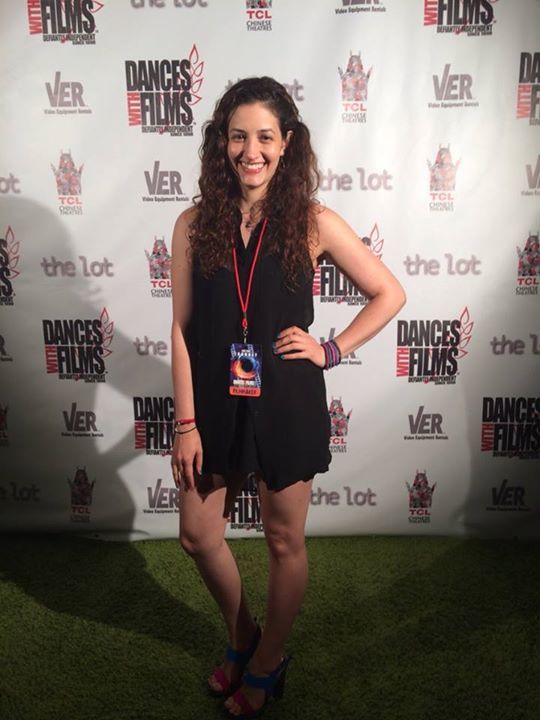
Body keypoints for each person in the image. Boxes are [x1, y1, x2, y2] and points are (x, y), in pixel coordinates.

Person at [170, 76, 406, 719]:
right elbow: (183, 330)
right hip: (213, 402)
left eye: (265, 137)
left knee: (282, 540)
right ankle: (244, 636)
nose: (251, 151)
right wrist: (186, 423)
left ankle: (267, 662)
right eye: (238, 136)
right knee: (197, 534)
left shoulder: (312, 222)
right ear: (221, 142)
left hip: (286, 398)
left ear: (288, 143)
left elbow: (389, 292)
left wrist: (332, 349)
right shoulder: (193, 224)